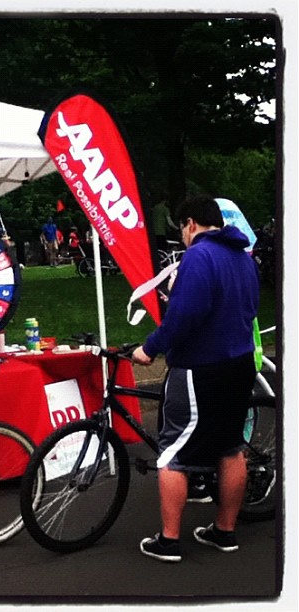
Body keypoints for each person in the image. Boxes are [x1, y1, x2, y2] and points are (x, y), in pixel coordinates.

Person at [132, 194, 259, 563]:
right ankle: (224, 531)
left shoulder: (198, 257)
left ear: (190, 224)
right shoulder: (243, 257)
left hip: (201, 368)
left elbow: (183, 316)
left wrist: (150, 348)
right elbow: (249, 307)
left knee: (172, 452)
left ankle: (169, 540)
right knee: (230, 447)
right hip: (240, 363)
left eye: (181, 229)